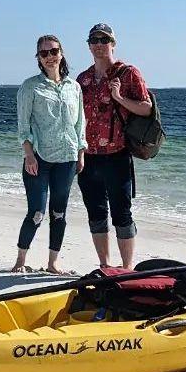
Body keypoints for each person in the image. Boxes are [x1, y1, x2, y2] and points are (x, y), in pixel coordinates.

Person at [76, 22, 152, 269]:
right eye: (94, 40)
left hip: (116, 155)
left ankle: (127, 268)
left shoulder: (128, 73)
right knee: (96, 213)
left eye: (104, 40)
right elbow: (76, 120)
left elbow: (146, 107)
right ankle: (105, 266)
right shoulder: (83, 79)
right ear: (89, 45)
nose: (99, 44)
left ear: (113, 43)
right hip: (89, 156)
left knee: (122, 213)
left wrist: (119, 98)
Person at [11, 33, 86, 274]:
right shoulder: (30, 87)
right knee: (37, 212)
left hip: (67, 158)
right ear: (39, 59)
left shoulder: (73, 87)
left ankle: (53, 263)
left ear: (61, 53)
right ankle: (20, 261)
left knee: (59, 213)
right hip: (39, 159)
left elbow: (79, 124)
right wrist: (29, 155)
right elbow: (23, 126)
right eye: (44, 53)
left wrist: (81, 151)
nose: (50, 56)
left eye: (54, 51)